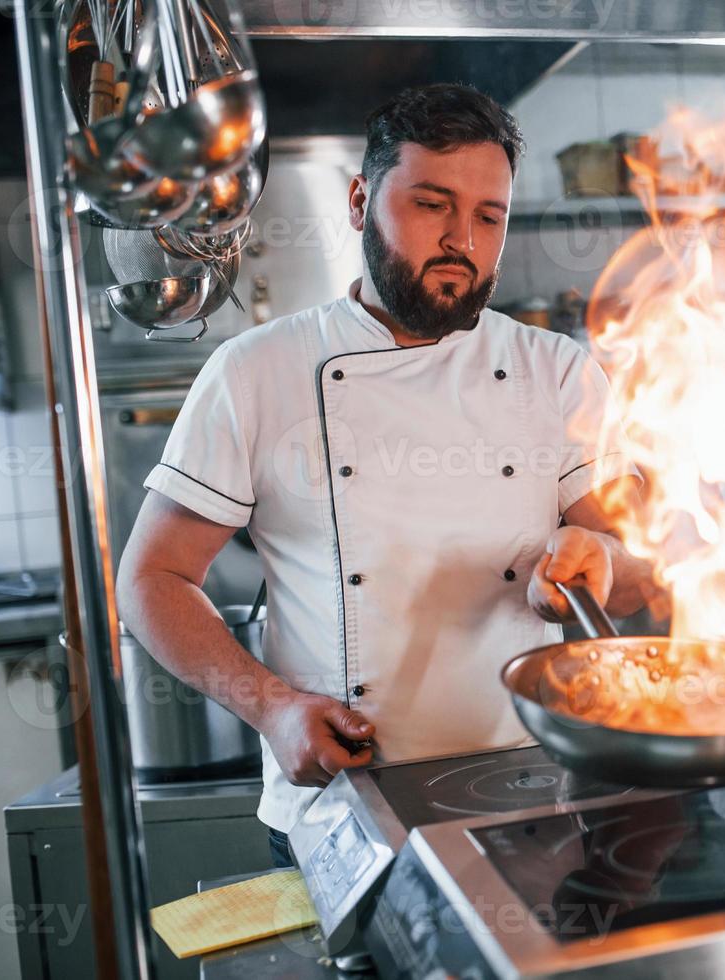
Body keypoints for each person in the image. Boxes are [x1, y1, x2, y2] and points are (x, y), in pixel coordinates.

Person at [117, 84, 648, 866]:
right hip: (343, 806)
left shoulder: (557, 371)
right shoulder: (256, 371)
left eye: (488, 216)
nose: (462, 240)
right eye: (432, 204)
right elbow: (151, 577)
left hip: (527, 791)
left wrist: (599, 566)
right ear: (362, 199)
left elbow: (638, 573)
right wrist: (272, 709)